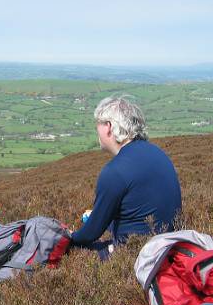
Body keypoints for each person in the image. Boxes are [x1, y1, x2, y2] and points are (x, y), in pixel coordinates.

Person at [71, 97, 182, 259]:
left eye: (98, 124)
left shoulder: (114, 171)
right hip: (169, 249)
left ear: (108, 127)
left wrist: (69, 237)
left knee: (69, 254)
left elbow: (89, 235)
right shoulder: (158, 153)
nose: (97, 130)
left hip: (135, 256)